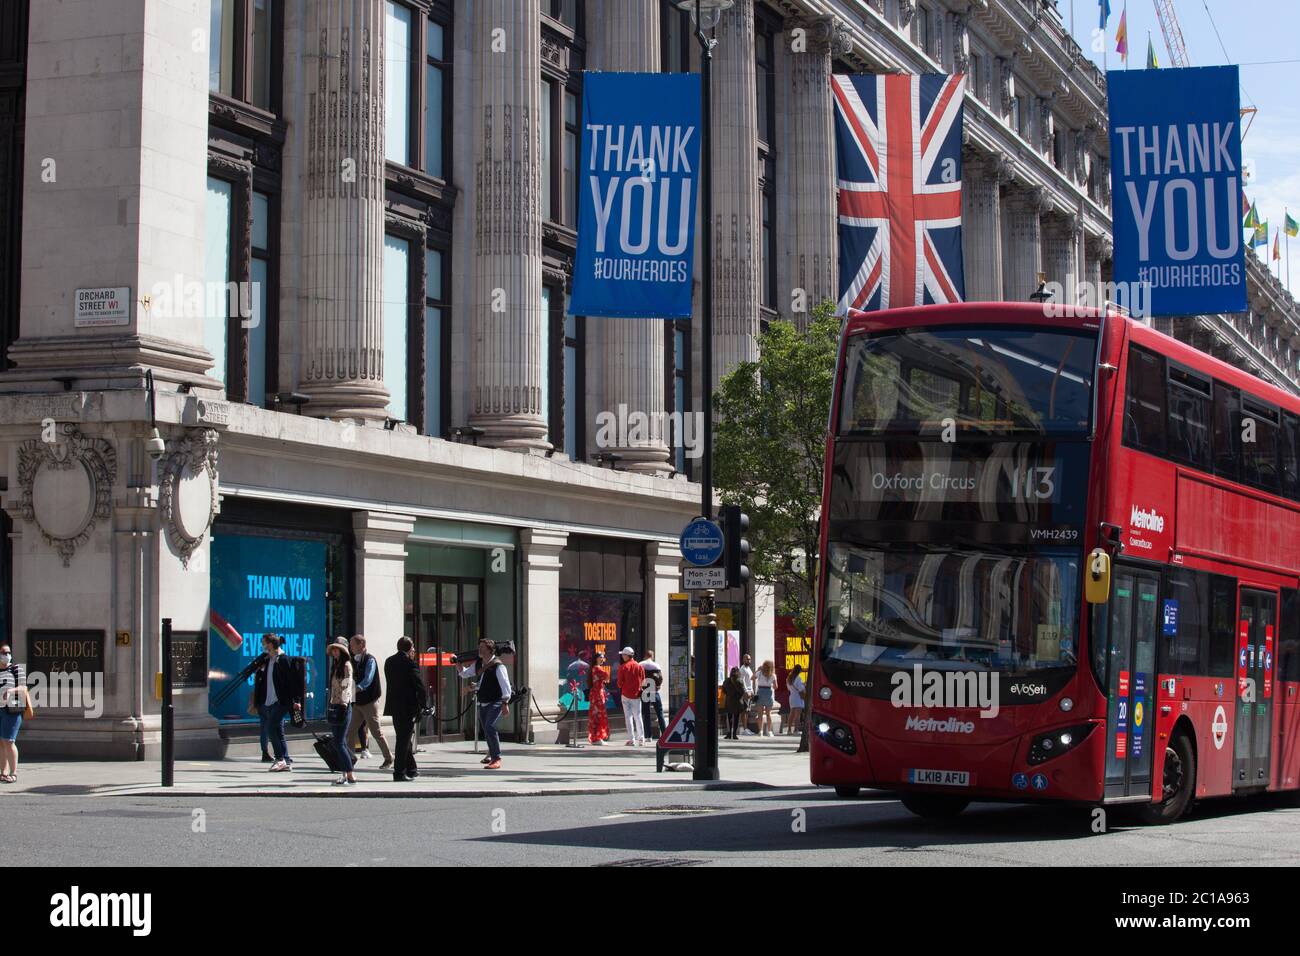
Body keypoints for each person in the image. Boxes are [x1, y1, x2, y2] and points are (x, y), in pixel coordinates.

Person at [253, 633, 303, 772]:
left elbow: (293, 682)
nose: (263, 646)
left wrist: (296, 700)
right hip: (269, 700)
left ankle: (279, 758)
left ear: (270, 644)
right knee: (278, 731)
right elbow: (264, 681)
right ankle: (285, 760)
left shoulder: (283, 660)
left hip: (281, 700)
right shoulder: (269, 660)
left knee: (270, 726)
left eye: (264, 643)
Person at [384, 637, 427, 781]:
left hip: (394, 706)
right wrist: (423, 704)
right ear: (410, 648)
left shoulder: (389, 662)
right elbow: (419, 686)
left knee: (404, 737)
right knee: (403, 741)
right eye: (413, 647)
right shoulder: (410, 664)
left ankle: (411, 769)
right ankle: (399, 772)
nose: (414, 650)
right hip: (408, 706)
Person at [346, 634, 392, 769]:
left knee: (376, 731)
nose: (350, 647)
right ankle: (350, 759)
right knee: (350, 731)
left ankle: (388, 758)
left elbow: (368, 679)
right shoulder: (353, 660)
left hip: (369, 702)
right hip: (357, 702)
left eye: (353, 644)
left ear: (361, 645)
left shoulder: (369, 660)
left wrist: (356, 689)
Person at [472, 638, 512, 769]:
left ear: (490, 650)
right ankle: (491, 755)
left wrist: (505, 703)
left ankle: (496, 758)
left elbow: (506, 686)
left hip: (495, 701)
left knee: (489, 726)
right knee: (487, 729)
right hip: (483, 702)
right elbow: (465, 673)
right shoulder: (479, 663)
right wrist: (458, 665)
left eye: (482, 647)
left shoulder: (498, 666)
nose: (480, 649)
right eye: (479, 646)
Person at [326, 637, 356, 785]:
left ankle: (348, 772)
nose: (334, 652)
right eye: (333, 649)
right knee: (339, 741)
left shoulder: (346, 665)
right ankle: (346, 774)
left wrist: (344, 702)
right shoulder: (336, 665)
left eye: (337, 649)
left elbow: (347, 685)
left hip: (343, 706)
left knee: (338, 742)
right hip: (335, 705)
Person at [0, 644, 26, 783]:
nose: (6, 655)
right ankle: (3, 772)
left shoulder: (16, 669)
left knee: (9, 741)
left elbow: (23, 686)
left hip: (12, 709)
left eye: (8, 652)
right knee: (1, 742)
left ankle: (13, 773)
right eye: (3, 652)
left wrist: (11, 691)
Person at [616, 647, 646, 746]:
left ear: (627, 656)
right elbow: (643, 681)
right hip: (636, 695)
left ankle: (631, 739)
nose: (622, 656)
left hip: (625, 694)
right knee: (638, 716)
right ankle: (641, 738)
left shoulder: (623, 667)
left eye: (623, 655)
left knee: (628, 717)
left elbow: (619, 683)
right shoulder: (639, 666)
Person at [640, 650, 665, 740]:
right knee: (660, 713)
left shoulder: (640, 664)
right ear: (652, 656)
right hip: (654, 691)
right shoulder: (656, 665)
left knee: (646, 714)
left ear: (645, 655)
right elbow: (660, 678)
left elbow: (638, 677)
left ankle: (648, 736)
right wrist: (658, 685)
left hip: (645, 691)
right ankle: (664, 734)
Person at [587, 651, 610, 745]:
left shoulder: (593, 668)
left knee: (595, 716)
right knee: (600, 716)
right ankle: (598, 737)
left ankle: (595, 737)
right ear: (596, 658)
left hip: (595, 694)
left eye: (603, 657)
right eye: (600, 657)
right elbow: (607, 676)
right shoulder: (597, 668)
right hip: (598, 695)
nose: (602, 659)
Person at [722, 667, 747, 740]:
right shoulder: (740, 681)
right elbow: (742, 691)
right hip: (737, 701)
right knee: (736, 718)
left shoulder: (726, 681)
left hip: (729, 700)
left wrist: (729, 694)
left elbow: (724, 690)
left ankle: (729, 733)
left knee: (729, 717)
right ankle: (734, 734)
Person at [754, 660, 777, 736]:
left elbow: (752, 678)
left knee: (760, 714)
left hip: (760, 692)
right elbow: (776, 686)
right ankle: (769, 731)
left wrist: (757, 670)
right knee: (768, 714)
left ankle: (760, 731)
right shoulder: (773, 675)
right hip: (768, 693)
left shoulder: (759, 673)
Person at [784, 664, 806, 736]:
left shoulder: (789, 678)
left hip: (792, 696)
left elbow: (788, 688)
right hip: (798, 697)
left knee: (791, 714)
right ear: (799, 670)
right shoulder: (798, 678)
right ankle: (796, 730)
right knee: (797, 715)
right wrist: (804, 685)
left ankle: (789, 730)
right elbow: (801, 689)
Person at [738, 654, 756, 734]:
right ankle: (744, 729)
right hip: (746, 692)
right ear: (743, 660)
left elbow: (751, 680)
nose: (749, 661)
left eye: (749, 659)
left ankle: (746, 728)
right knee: (744, 711)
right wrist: (746, 691)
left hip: (750, 691)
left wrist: (752, 691)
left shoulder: (748, 668)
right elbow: (742, 681)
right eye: (747, 659)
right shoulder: (742, 669)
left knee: (747, 710)